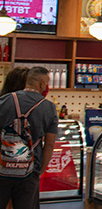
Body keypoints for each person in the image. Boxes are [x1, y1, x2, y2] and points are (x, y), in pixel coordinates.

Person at [0, 66, 58, 208]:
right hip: (30, 169)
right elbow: (49, 145)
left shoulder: (5, 100)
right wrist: (40, 171)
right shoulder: (49, 107)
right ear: (42, 84)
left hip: (2, 167)